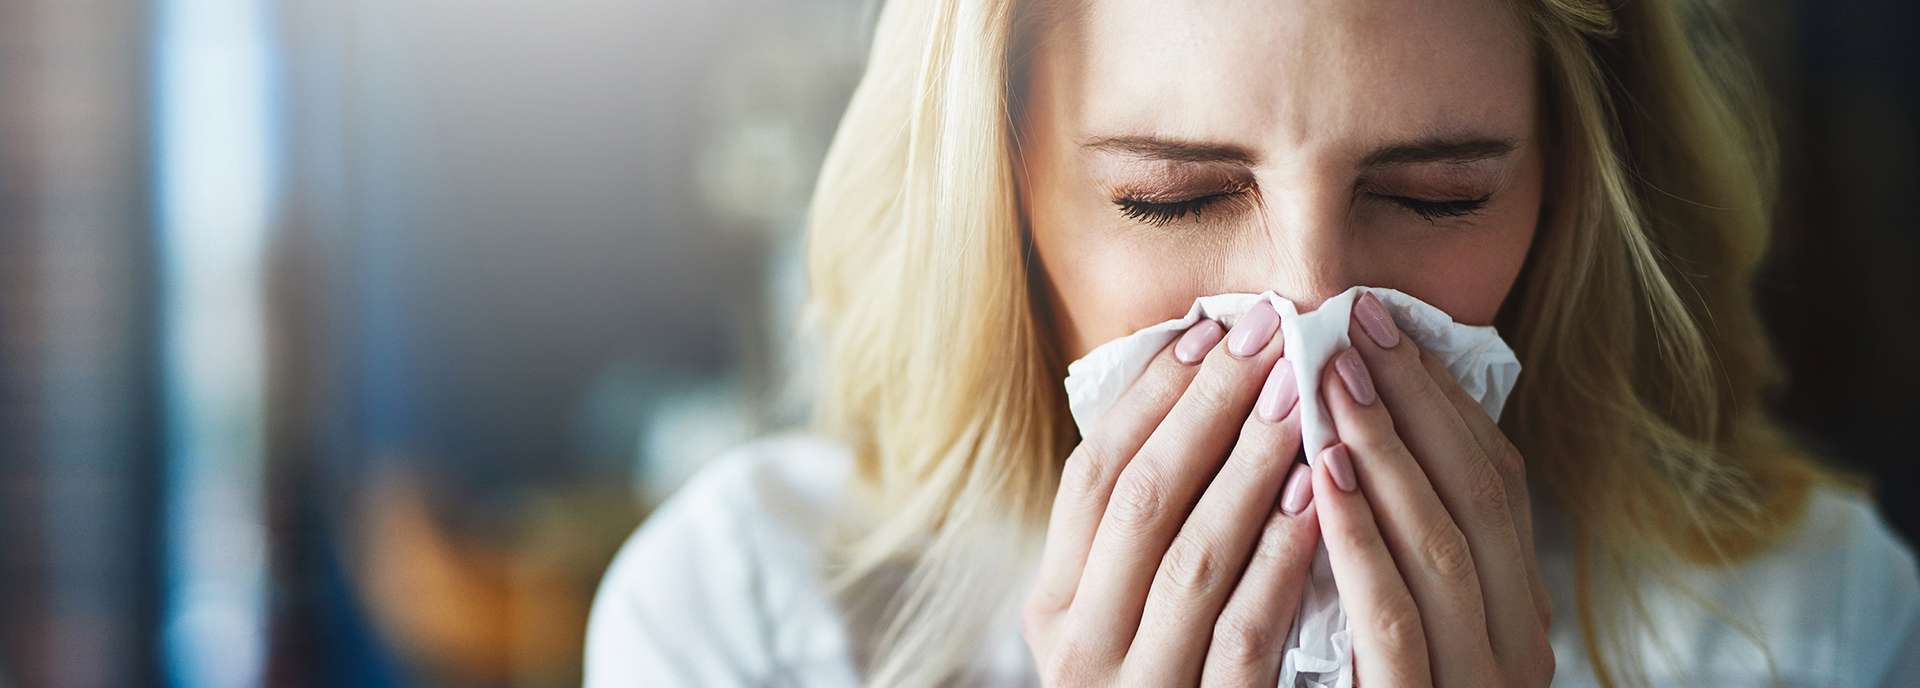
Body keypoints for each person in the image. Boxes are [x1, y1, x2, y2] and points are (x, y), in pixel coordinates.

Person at [585, 0, 1920, 685]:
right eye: (1172, 199)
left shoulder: (1813, 625)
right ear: (997, 194)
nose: (1308, 308)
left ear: (1570, 187)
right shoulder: (747, 620)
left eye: (1435, 197)